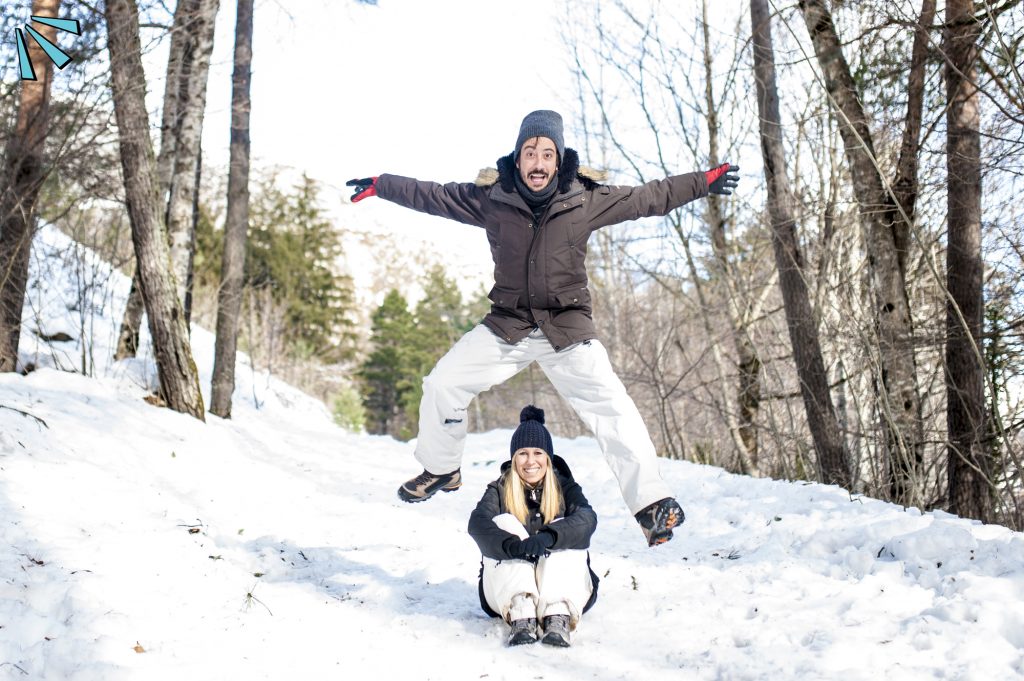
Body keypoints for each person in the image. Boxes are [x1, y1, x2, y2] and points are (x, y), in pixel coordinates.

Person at [347, 109, 739, 546]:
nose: (537, 162)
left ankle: (650, 504)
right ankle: (442, 468)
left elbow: (649, 197)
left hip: (566, 329)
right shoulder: (491, 200)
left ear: (559, 161)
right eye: (529, 152)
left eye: (546, 154)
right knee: (442, 384)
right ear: (518, 159)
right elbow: (433, 195)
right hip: (509, 325)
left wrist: (702, 183)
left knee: (613, 409)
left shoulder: (584, 199)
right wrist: (383, 184)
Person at [467, 406, 599, 647]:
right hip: (508, 592)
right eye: (523, 454)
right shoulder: (499, 489)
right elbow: (477, 523)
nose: (530, 461)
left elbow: (587, 519)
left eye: (537, 453)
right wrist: (511, 546)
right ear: (513, 457)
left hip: (564, 588)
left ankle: (557, 615)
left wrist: (550, 537)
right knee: (504, 522)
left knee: (565, 526)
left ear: (547, 457)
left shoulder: (565, 487)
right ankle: (522, 616)